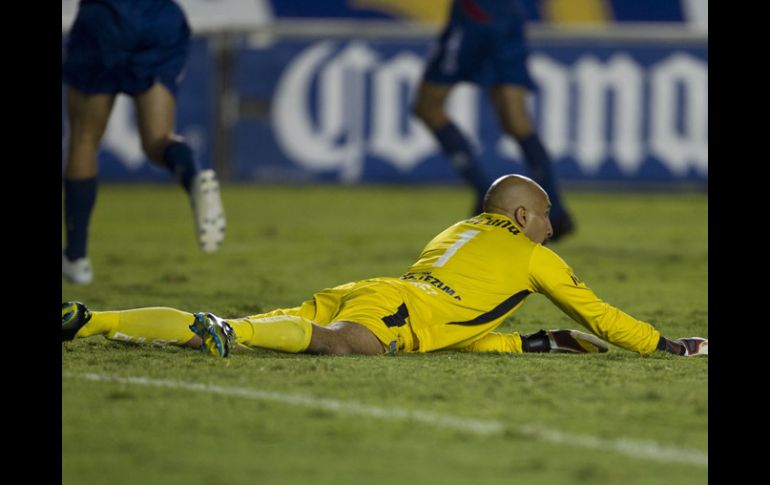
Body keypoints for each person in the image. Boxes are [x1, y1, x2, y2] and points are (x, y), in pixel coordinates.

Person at [62, 174, 707, 359]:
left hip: (375, 289)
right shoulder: (534, 258)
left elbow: (460, 318)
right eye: (542, 215)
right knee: (342, 348)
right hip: (398, 308)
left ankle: (91, 320)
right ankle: (231, 332)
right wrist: (668, 344)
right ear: (518, 219)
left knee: (263, 319)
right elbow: (599, 314)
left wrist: (528, 343)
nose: (550, 223)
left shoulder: (459, 229)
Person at [62, 0, 226, 285]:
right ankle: (194, 176)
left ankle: (76, 258)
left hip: (105, 19)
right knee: (158, 138)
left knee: (84, 139)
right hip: (160, 19)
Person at [412, 0, 574, 241]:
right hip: (508, 15)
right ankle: (557, 214)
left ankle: (484, 196)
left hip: (473, 15)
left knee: (428, 107)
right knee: (516, 119)